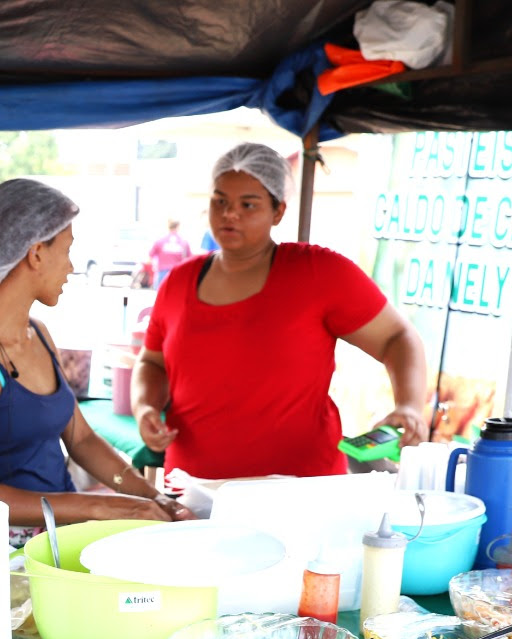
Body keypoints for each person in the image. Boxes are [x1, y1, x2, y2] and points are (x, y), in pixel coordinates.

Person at [133, 143, 427, 481]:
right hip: (192, 487)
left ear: (279, 212)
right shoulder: (180, 281)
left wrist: (408, 406)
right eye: (220, 201)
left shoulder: (317, 272)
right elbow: (151, 362)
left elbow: (397, 336)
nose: (230, 214)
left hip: (297, 491)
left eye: (248, 204)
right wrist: (145, 408)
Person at [0, 179, 189, 530]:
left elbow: (81, 439)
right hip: (6, 551)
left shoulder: (38, 332)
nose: (71, 267)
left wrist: (151, 497)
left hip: (62, 534)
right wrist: (100, 508)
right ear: (36, 253)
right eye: (67, 249)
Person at [148, 220, 193, 289]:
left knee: (160, 296)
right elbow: (190, 259)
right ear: (178, 227)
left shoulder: (160, 240)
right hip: (177, 273)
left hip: (162, 273)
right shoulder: (183, 242)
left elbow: (150, 257)